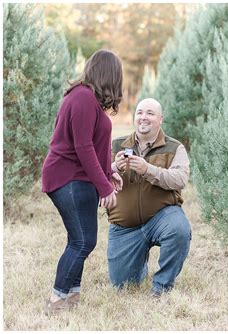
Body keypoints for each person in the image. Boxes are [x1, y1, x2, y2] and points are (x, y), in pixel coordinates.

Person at [41, 49, 123, 315]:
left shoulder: (87, 99)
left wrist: (109, 173)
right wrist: (105, 186)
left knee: (80, 239)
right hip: (68, 178)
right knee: (83, 241)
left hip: (77, 177)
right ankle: (56, 300)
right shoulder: (83, 97)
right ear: (110, 75)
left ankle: (72, 296)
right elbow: (83, 146)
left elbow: (93, 147)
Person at [106, 97, 191, 298]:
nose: (144, 117)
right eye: (140, 113)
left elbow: (180, 179)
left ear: (160, 119)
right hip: (124, 227)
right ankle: (138, 261)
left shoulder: (174, 147)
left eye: (150, 113)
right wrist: (113, 168)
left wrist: (148, 169)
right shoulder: (116, 145)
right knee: (123, 285)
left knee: (179, 230)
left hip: (161, 217)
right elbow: (96, 176)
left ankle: (161, 287)